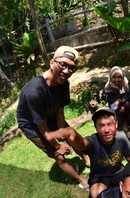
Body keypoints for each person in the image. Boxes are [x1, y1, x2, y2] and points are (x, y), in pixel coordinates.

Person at [16, 46, 90, 188]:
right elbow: (42, 127)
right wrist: (58, 146)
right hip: (32, 125)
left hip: (50, 115)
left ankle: (86, 159)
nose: (66, 71)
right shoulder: (34, 92)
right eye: (63, 64)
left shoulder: (63, 84)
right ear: (51, 63)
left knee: (72, 136)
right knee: (59, 156)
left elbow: (59, 112)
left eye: (71, 68)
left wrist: (64, 136)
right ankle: (81, 180)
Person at [45, 108, 130, 198]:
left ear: (116, 124)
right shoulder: (93, 140)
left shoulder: (121, 137)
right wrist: (71, 134)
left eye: (110, 124)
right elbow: (81, 144)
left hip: (118, 172)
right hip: (99, 176)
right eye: (101, 126)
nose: (106, 130)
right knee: (97, 194)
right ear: (96, 128)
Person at [103, 66, 130, 139]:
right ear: (111, 77)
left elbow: (129, 96)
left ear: (122, 77)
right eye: (114, 77)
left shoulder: (125, 83)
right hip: (117, 108)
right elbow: (112, 104)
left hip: (128, 105)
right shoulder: (108, 87)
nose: (117, 79)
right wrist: (116, 90)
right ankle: (125, 121)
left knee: (127, 103)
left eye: (119, 77)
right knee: (120, 108)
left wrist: (119, 100)